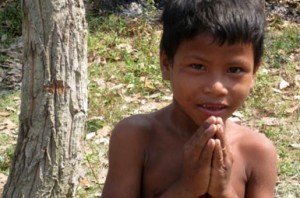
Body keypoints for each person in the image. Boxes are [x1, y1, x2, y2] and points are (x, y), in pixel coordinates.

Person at [102, 0, 277, 197]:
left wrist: (223, 191)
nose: (217, 88)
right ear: (166, 64)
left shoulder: (256, 152)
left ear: (254, 73)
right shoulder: (136, 138)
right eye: (198, 66)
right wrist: (187, 188)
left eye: (235, 69)